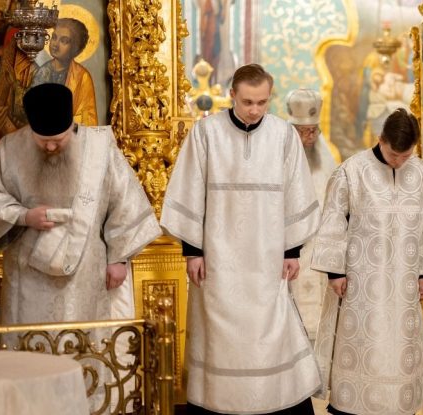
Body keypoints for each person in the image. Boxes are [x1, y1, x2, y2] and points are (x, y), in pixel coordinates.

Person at [160, 64, 321, 415]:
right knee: (222, 340)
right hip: (218, 262)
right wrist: (193, 251)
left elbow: (297, 193)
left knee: (270, 337)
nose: (255, 110)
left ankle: (273, 404)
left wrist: (292, 250)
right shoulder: (206, 133)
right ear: (232, 95)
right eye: (248, 102)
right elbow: (189, 191)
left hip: (268, 261)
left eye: (262, 102)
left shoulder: (283, 135)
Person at [311, 108, 423, 415]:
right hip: (361, 282)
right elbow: (334, 220)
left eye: (406, 155)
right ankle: (353, 406)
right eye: (393, 154)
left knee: (400, 346)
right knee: (365, 344)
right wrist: (335, 272)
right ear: (381, 139)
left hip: (405, 281)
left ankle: (400, 405)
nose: (399, 162)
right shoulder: (352, 171)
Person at [0, 82, 160, 332]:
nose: (51, 147)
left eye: (58, 140)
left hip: (86, 272)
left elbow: (125, 200)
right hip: (27, 275)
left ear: (71, 127)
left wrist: (119, 259)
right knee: (31, 343)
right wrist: (24, 216)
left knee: (82, 340)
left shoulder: (99, 148)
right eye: (42, 141)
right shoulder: (8, 149)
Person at [284, 87, 338, 339]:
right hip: (290, 250)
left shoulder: (328, 164)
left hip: (320, 252)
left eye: (313, 131)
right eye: (302, 131)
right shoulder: (278, 160)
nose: (308, 137)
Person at [31, 18, 97, 126]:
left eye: (64, 41)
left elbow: (89, 117)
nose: (55, 44)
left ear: (75, 47)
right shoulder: (42, 72)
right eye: (54, 37)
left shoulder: (82, 77)